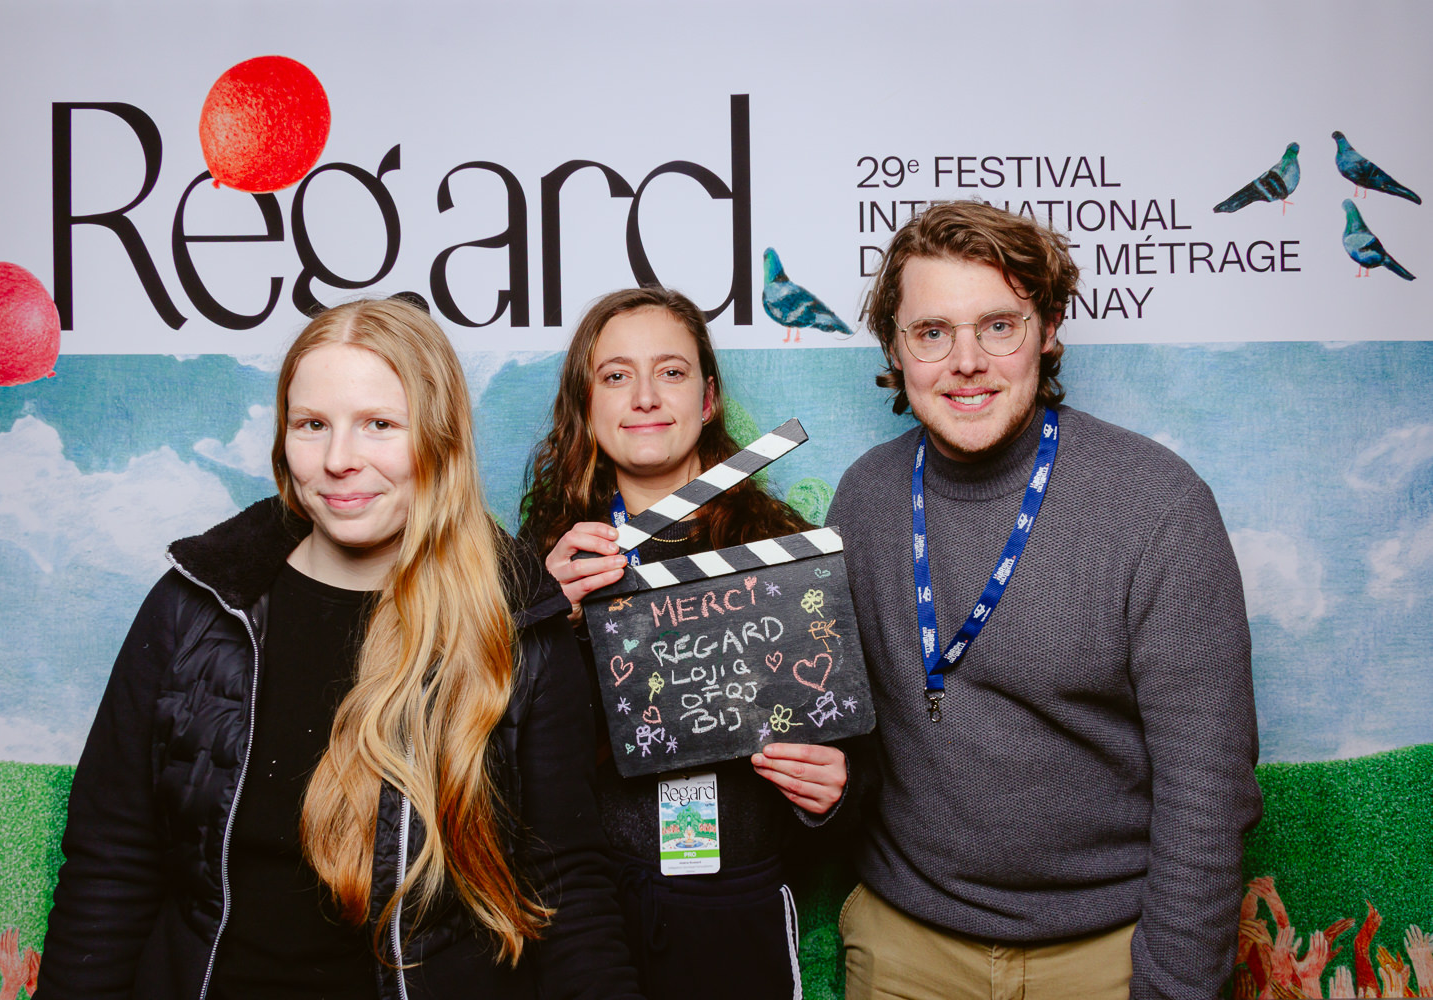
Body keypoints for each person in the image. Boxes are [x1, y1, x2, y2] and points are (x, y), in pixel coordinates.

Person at [39, 298, 640, 1000]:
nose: (338, 460)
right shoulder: (197, 607)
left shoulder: (518, 623)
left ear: (439, 437)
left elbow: (568, 891)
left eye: (379, 425)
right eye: (312, 425)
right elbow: (110, 864)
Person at [830, 202, 1261, 1000]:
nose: (966, 361)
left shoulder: (1159, 507)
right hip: (907, 944)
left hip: (1106, 950)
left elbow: (1208, 790)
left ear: (1050, 329)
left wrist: (1172, 988)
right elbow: (847, 738)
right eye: (932, 332)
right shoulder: (862, 499)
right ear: (895, 346)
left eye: (999, 326)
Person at [520, 286, 848, 1000]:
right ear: (585, 404)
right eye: (616, 375)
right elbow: (492, 753)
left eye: (670, 371)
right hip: (584, 906)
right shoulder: (546, 559)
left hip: (736, 908)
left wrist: (834, 789)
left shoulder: (785, 549)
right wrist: (539, 616)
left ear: (708, 399)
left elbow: (857, 739)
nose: (644, 397)